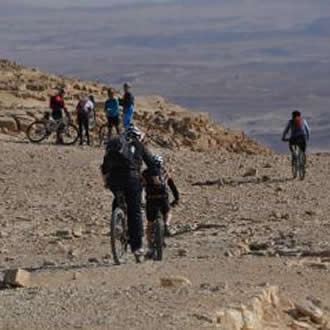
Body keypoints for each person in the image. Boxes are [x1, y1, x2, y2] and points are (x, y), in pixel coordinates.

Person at [101, 126, 156, 260]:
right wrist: (154, 178)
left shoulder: (116, 145)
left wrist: (107, 181)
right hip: (132, 179)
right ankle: (137, 248)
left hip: (114, 179)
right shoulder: (139, 145)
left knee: (118, 198)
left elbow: (104, 167)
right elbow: (152, 164)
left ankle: (117, 223)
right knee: (134, 211)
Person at [142, 155, 179, 258]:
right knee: (168, 212)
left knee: (149, 224)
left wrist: (140, 201)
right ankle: (166, 224)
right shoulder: (165, 172)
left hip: (150, 199)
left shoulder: (145, 173)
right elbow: (172, 187)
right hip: (163, 198)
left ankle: (149, 246)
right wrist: (176, 199)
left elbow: (140, 187)